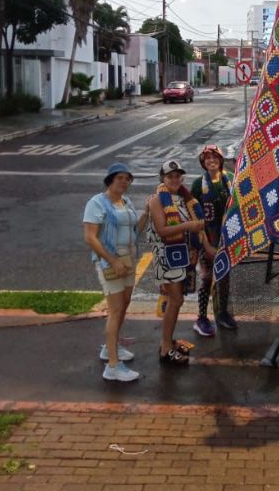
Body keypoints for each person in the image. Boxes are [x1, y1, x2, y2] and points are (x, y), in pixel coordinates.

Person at [142, 160, 212, 367]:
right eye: (169, 176)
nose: (174, 179)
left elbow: (199, 228)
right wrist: (188, 225)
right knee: (175, 300)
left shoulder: (185, 199)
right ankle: (165, 348)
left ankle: (169, 340)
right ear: (162, 178)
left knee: (178, 300)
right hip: (167, 257)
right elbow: (163, 230)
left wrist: (207, 247)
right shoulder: (156, 200)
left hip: (184, 256)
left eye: (177, 176)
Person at [83, 163, 141, 382]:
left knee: (124, 305)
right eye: (120, 178)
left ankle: (110, 348)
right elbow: (90, 237)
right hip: (111, 262)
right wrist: (112, 260)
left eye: (127, 179)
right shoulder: (96, 203)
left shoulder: (125, 201)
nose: (124, 182)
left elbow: (135, 227)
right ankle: (113, 366)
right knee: (115, 310)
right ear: (110, 180)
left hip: (128, 259)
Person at [190, 145, 236, 335]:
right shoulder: (198, 184)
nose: (211, 161)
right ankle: (201, 317)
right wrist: (205, 244)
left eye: (214, 157)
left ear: (220, 160)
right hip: (207, 238)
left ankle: (222, 313)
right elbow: (194, 216)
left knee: (224, 277)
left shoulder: (230, 179)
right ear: (203, 161)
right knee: (207, 278)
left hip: (227, 237)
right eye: (207, 158)